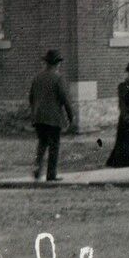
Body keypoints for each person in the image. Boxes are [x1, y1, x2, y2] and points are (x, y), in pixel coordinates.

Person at [29, 49, 74, 182]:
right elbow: (65, 99)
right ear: (57, 64)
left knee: (42, 144)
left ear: (46, 63)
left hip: (38, 118)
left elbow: (31, 97)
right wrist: (71, 117)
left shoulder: (37, 77)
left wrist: (35, 111)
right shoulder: (58, 78)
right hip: (53, 118)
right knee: (54, 146)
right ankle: (51, 175)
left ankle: (37, 169)